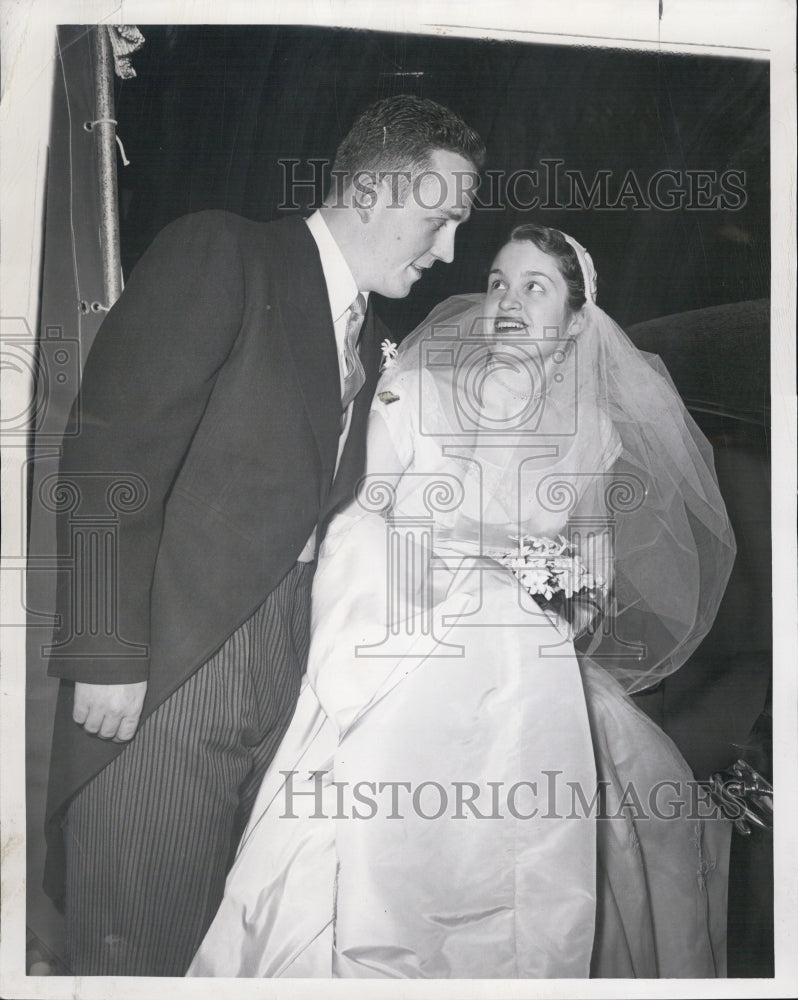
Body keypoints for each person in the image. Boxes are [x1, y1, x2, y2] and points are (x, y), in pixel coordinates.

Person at [188, 224, 737, 978]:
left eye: (534, 287)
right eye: (500, 283)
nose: (507, 300)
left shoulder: (592, 438)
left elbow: (587, 588)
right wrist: (470, 580)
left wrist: (556, 595)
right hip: (402, 630)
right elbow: (357, 509)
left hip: (524, 664)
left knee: (646, 797)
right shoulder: (419, 386)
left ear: (576, 322)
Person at [43, 94, 485, 976]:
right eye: (438, 221)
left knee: (207, 936)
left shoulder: (370, 334)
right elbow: (107, 455)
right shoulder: (226, 253)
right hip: (171, 669)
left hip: (282, 661)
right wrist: (104, 649)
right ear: (376, 193)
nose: (447, 253)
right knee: (136, 940)